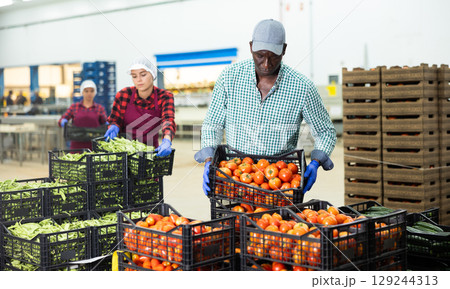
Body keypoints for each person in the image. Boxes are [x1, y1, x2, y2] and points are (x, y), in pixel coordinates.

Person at [195, 19, 337, 196]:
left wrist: (316, 161)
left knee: (274, 223)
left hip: (279, 183)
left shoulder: (302, 87)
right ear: (251, 47)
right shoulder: (229, 78)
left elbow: (325, 131)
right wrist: (209, 159)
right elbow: (212, 124)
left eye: (274, 56)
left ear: (284, 50)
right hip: (234, 178)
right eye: (260, 55)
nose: (266, 64)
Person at [104, 56, 176, 157]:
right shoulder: (124, 94)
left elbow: (168, 121)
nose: (139, 80)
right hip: (125, 153)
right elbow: (115, 119)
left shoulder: (164, 97)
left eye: (143, 75)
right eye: (134, 76)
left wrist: (167, 140)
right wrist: (114, 125)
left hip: (150, 152)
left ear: (152, 74)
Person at [58, 80, 107, 149]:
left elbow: (105, 123)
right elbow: (61, 120)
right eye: (86, 91)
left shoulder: (99, 108)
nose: (89, 93)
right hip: (76, 146)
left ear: (95, 92)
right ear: (82, 92)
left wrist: (108, 123)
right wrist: (63, 121)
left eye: (92, 91)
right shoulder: (74, 107)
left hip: (94, 146)